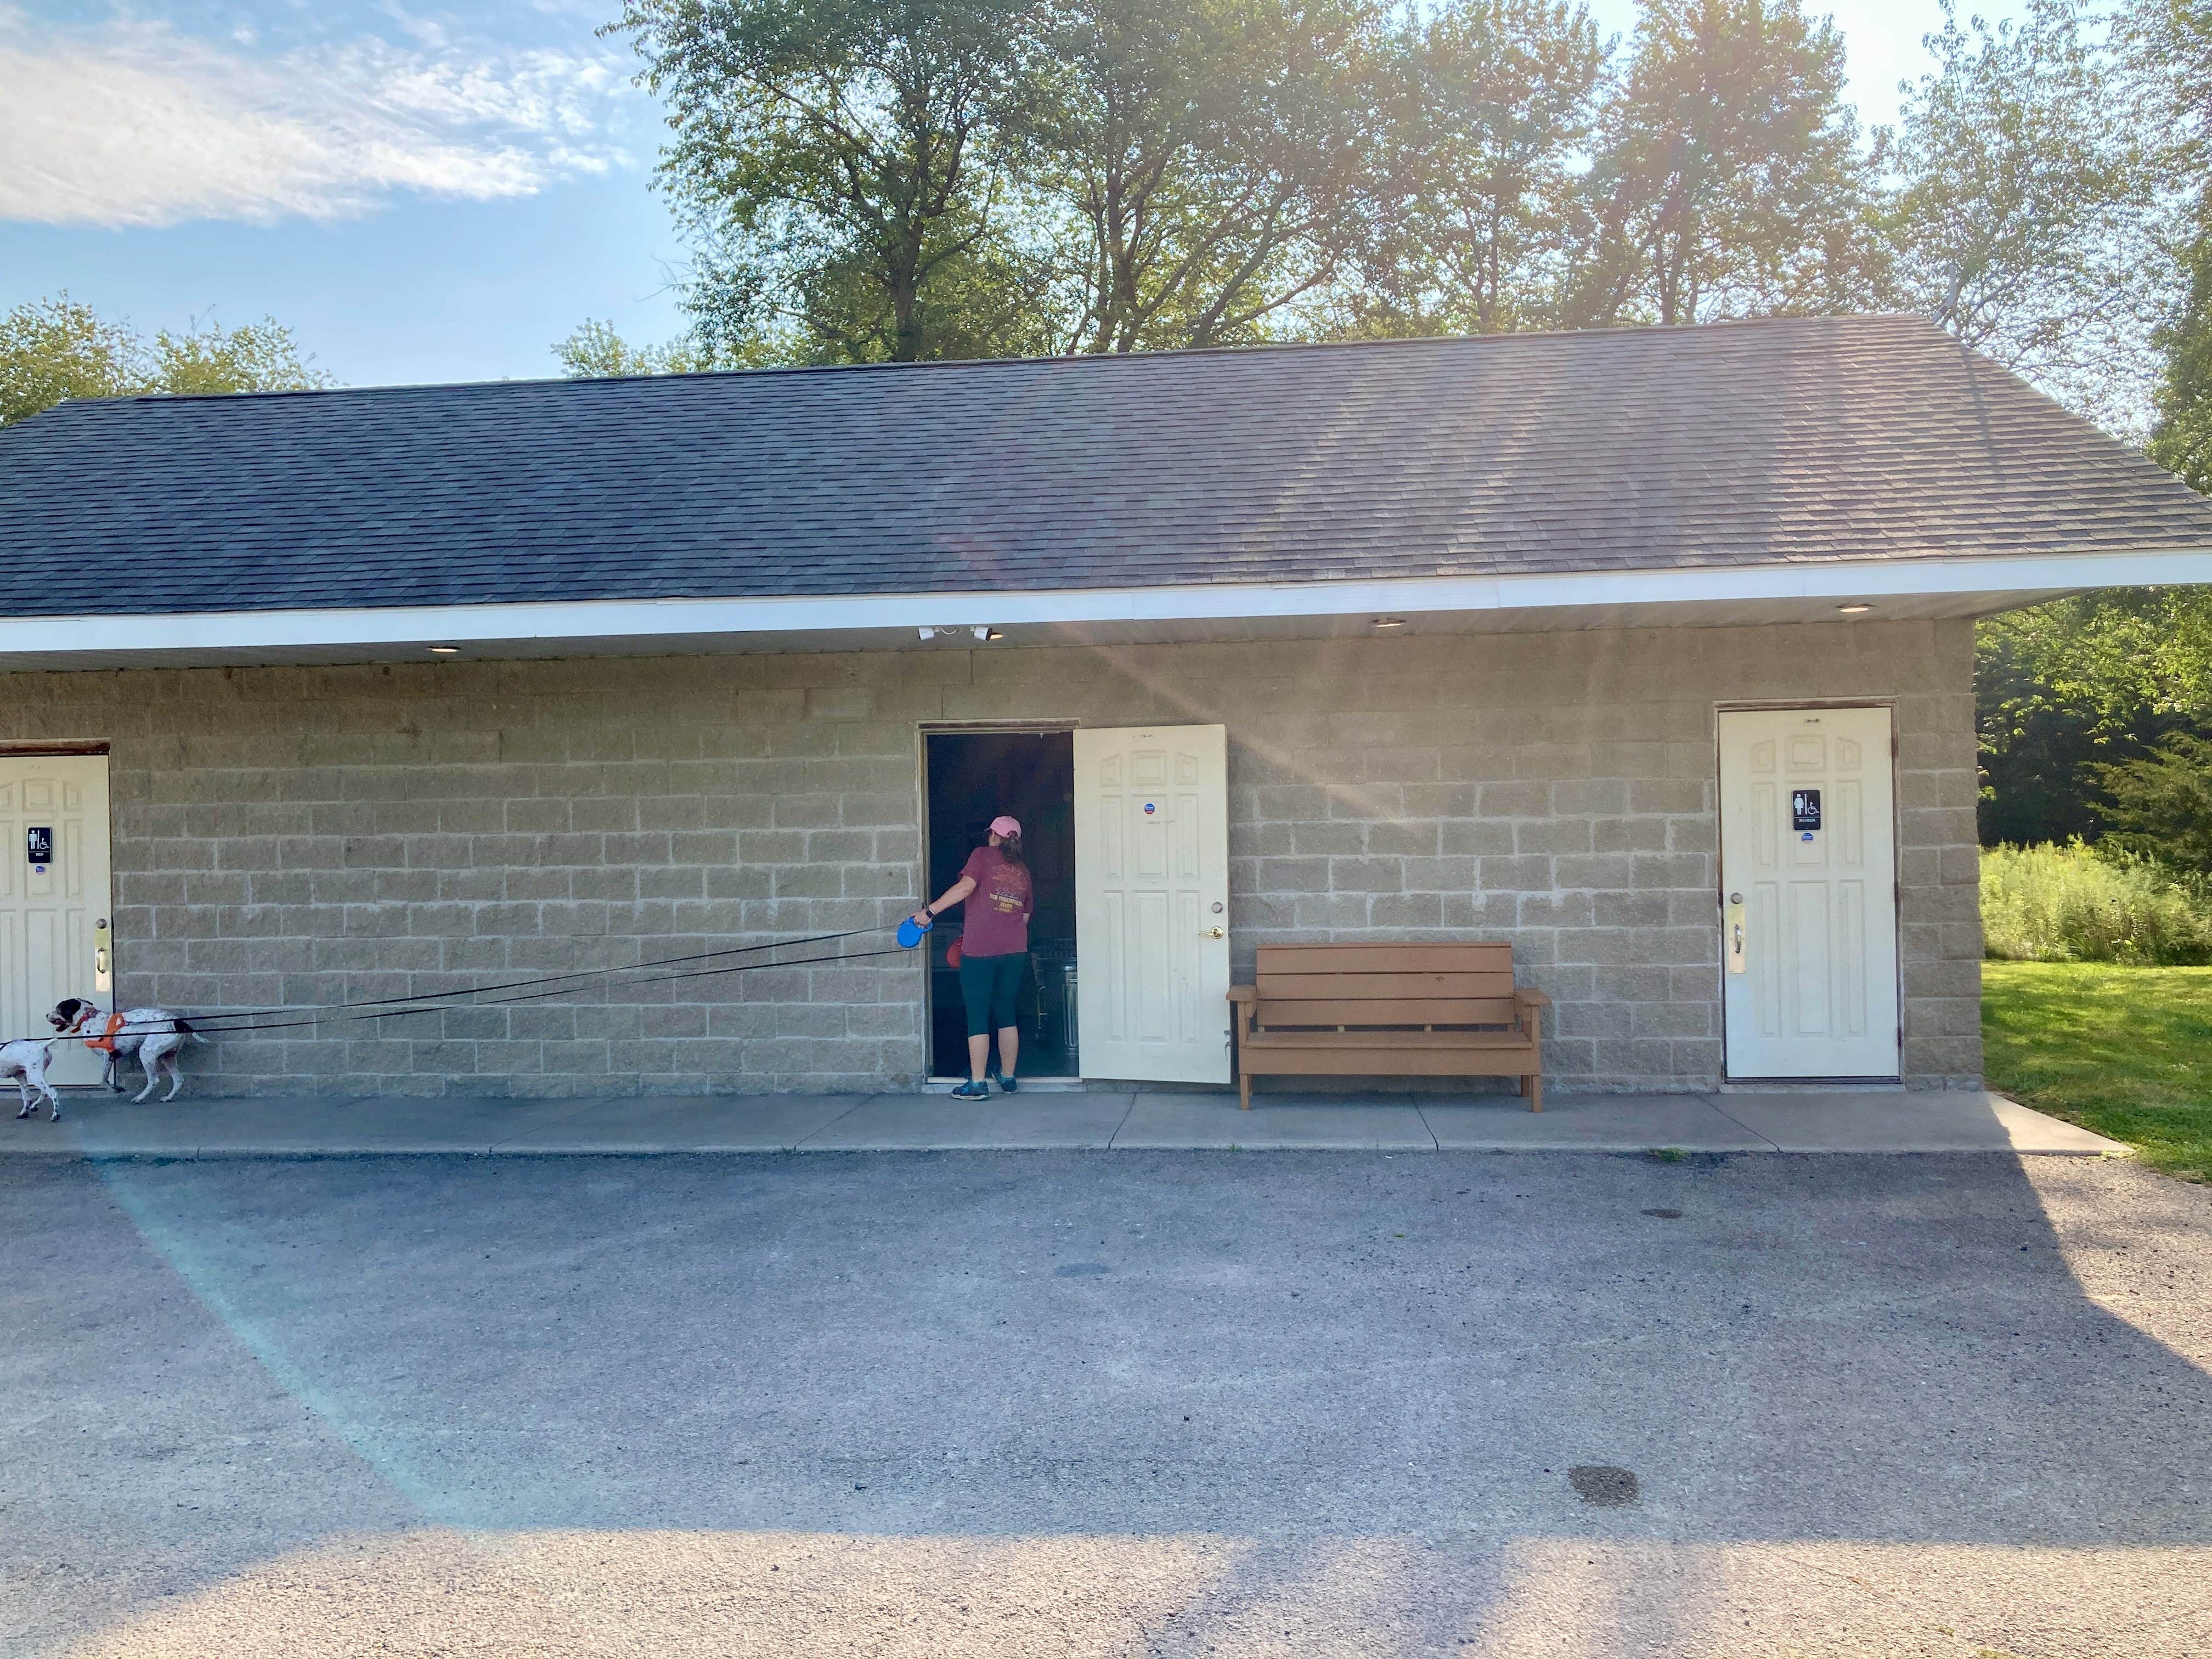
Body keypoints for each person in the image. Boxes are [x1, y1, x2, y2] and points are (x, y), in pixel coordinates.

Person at [912, 815, 1034, 1098]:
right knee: (1006, 1012)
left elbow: (966, 888)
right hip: (1015, 950)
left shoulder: (982, 855)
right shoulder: (1023, 870)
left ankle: (978, 1084)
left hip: (980, 950)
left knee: (977, 1014)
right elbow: (1025, 915)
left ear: (994, 835)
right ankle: (1008, 1077)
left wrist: (928, 912)